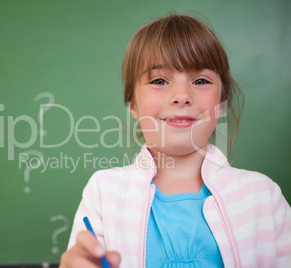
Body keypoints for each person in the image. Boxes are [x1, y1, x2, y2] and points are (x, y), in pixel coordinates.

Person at [59, 12, 291, 268]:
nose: (181, 96)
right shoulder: (104, 192)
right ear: (132, 104)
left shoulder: (263, 196)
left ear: (222, 102)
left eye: (201, 80)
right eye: (159, 80)